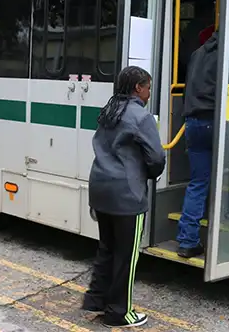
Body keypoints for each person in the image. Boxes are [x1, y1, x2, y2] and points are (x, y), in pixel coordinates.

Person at [82, 66, 166, 328]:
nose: (150, 93)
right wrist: (148, 175)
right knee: (126, 256)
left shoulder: (109, 109)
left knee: (107, 248)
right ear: (137, 88)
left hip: (100, 188)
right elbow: (156, 157)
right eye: (148, 87)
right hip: (126, 195)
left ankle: (97, 300)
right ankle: (120, 313)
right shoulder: (141, 116)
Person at [177, 31, 218, 258]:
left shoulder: (197, 53)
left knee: (198, 182)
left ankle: (187, 241)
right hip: (216, 120)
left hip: (193, 121)